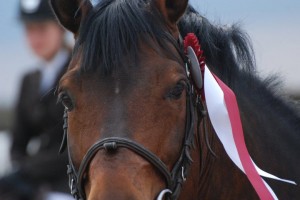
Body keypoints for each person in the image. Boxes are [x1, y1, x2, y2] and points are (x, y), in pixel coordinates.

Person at [0, 0, 72, 199]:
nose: (35, 37)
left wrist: (28, 170)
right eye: (29, 29)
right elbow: (18, 142)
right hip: (34, 182)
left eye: (41, 28)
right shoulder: (28, 80)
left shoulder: (77, 74)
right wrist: (21, 174)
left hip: (68, 182)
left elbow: (74, 146)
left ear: (61, 28)